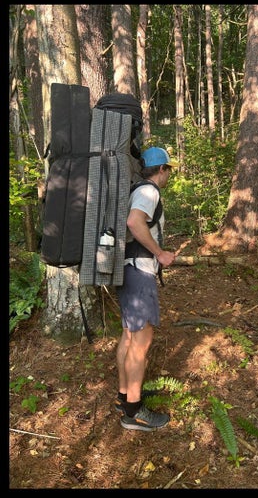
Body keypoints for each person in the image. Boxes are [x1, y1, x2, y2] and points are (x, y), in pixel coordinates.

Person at [114, 146, 178, 431]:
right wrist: (160, 253)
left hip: (126, 269)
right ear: (162, 169)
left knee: (129, 337)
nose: (168, 176)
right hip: (139, 271)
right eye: (168, 170)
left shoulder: (135, 190)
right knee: (141, 343)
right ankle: (134, 413)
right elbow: (134, 222)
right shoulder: (149, 192)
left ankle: (125, 396)